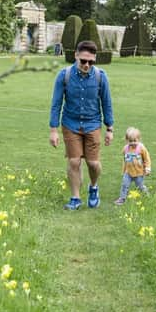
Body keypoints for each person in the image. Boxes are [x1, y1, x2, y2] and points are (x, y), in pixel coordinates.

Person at [49, 40, 114, 210]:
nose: (87, 65)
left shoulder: (101, 76)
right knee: (74, 161)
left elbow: (107, 103)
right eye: (83, 61)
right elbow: (56, 104)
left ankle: (93, 187)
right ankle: (75, 198)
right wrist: (53, 130)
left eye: (91, 62)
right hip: (71, 124)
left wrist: (109, 129)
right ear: (76, 55)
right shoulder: (64, 75)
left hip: (93, 124)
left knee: (93, 163)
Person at [114, 127, 151, 205]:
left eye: (135, 141)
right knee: (124, 185)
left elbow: (147, 159)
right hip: (128, 172)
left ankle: (146, 195)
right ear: (127, 140)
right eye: (130, 141)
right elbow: (125, 160)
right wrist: (124, 170)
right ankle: (122, 199)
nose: (133, 143)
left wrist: (147, 168)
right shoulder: (125, 149)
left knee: (140, 186)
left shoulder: (141, 148)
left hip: (139, 173)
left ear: (139, 139)